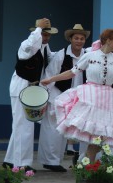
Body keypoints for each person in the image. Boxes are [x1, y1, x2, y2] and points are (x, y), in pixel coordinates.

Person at [41, 29, 113, 163]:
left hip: (108, 100)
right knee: (94, 137)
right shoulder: (90, 56)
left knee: (102, 137)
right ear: (108, 41)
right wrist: (51, 79)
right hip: (91, 97)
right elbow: (72, 72)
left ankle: (88, 165)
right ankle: (87, 165)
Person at [3, 18, 58, 172]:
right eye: (43, 34)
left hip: (32, 89)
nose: (45, 37)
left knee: (20, 125)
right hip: (21, 87)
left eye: (47, 35)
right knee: (24, 126)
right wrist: (38, 30)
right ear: (36, 33)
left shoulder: (45, 49)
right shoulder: (26, 45)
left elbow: (53, 59)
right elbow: (28, 48)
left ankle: (9, 159)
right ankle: (21, 163)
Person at [37, 24, 90, 172]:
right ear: (70, 39)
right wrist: (44, 98)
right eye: (76, 38)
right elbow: (49, 76)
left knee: (69, 130)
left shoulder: (87, 55)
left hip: (77, 97)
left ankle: (60, 159)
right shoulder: (61, 55)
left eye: (82, 38)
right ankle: (50, 161)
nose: (79, 41)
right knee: (52, 129)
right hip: (57, 95)